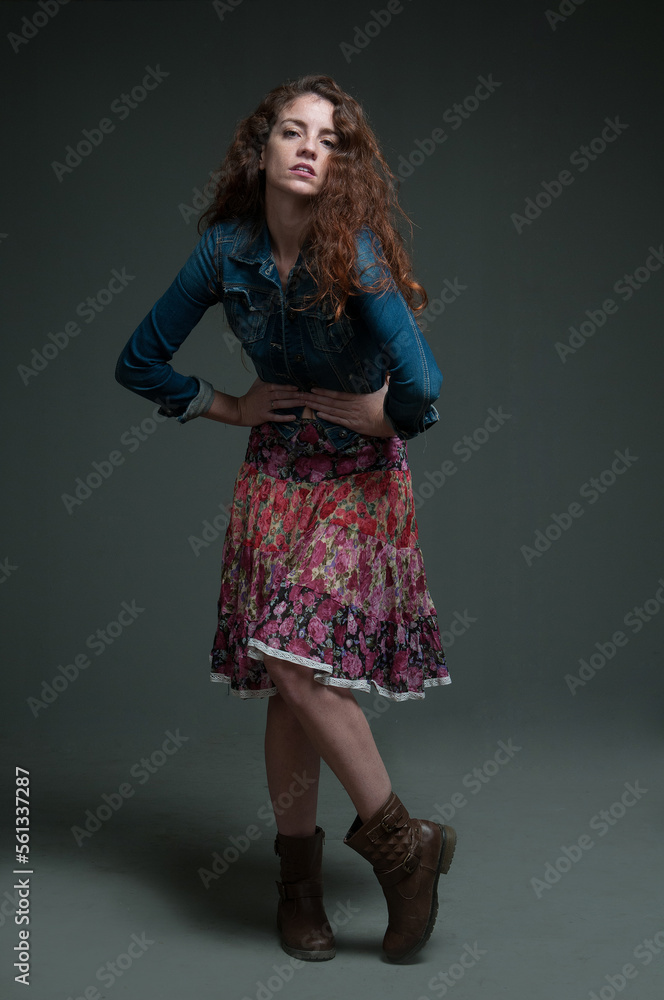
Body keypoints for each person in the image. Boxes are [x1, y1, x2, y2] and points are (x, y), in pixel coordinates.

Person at [115, 73, 455, 964]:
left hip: (357, 477)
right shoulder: (223, 252)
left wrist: (386, 414)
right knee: (284, 671)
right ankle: (298, 890)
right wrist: (227, 407)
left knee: (293, 660)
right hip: (278, 472)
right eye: (294, 132)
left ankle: (401, 849)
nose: (311, 146)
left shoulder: (360, 251)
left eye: (331, 139)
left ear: (342, 165)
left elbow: (422, 386)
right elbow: (140, 360)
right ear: (260, 150)